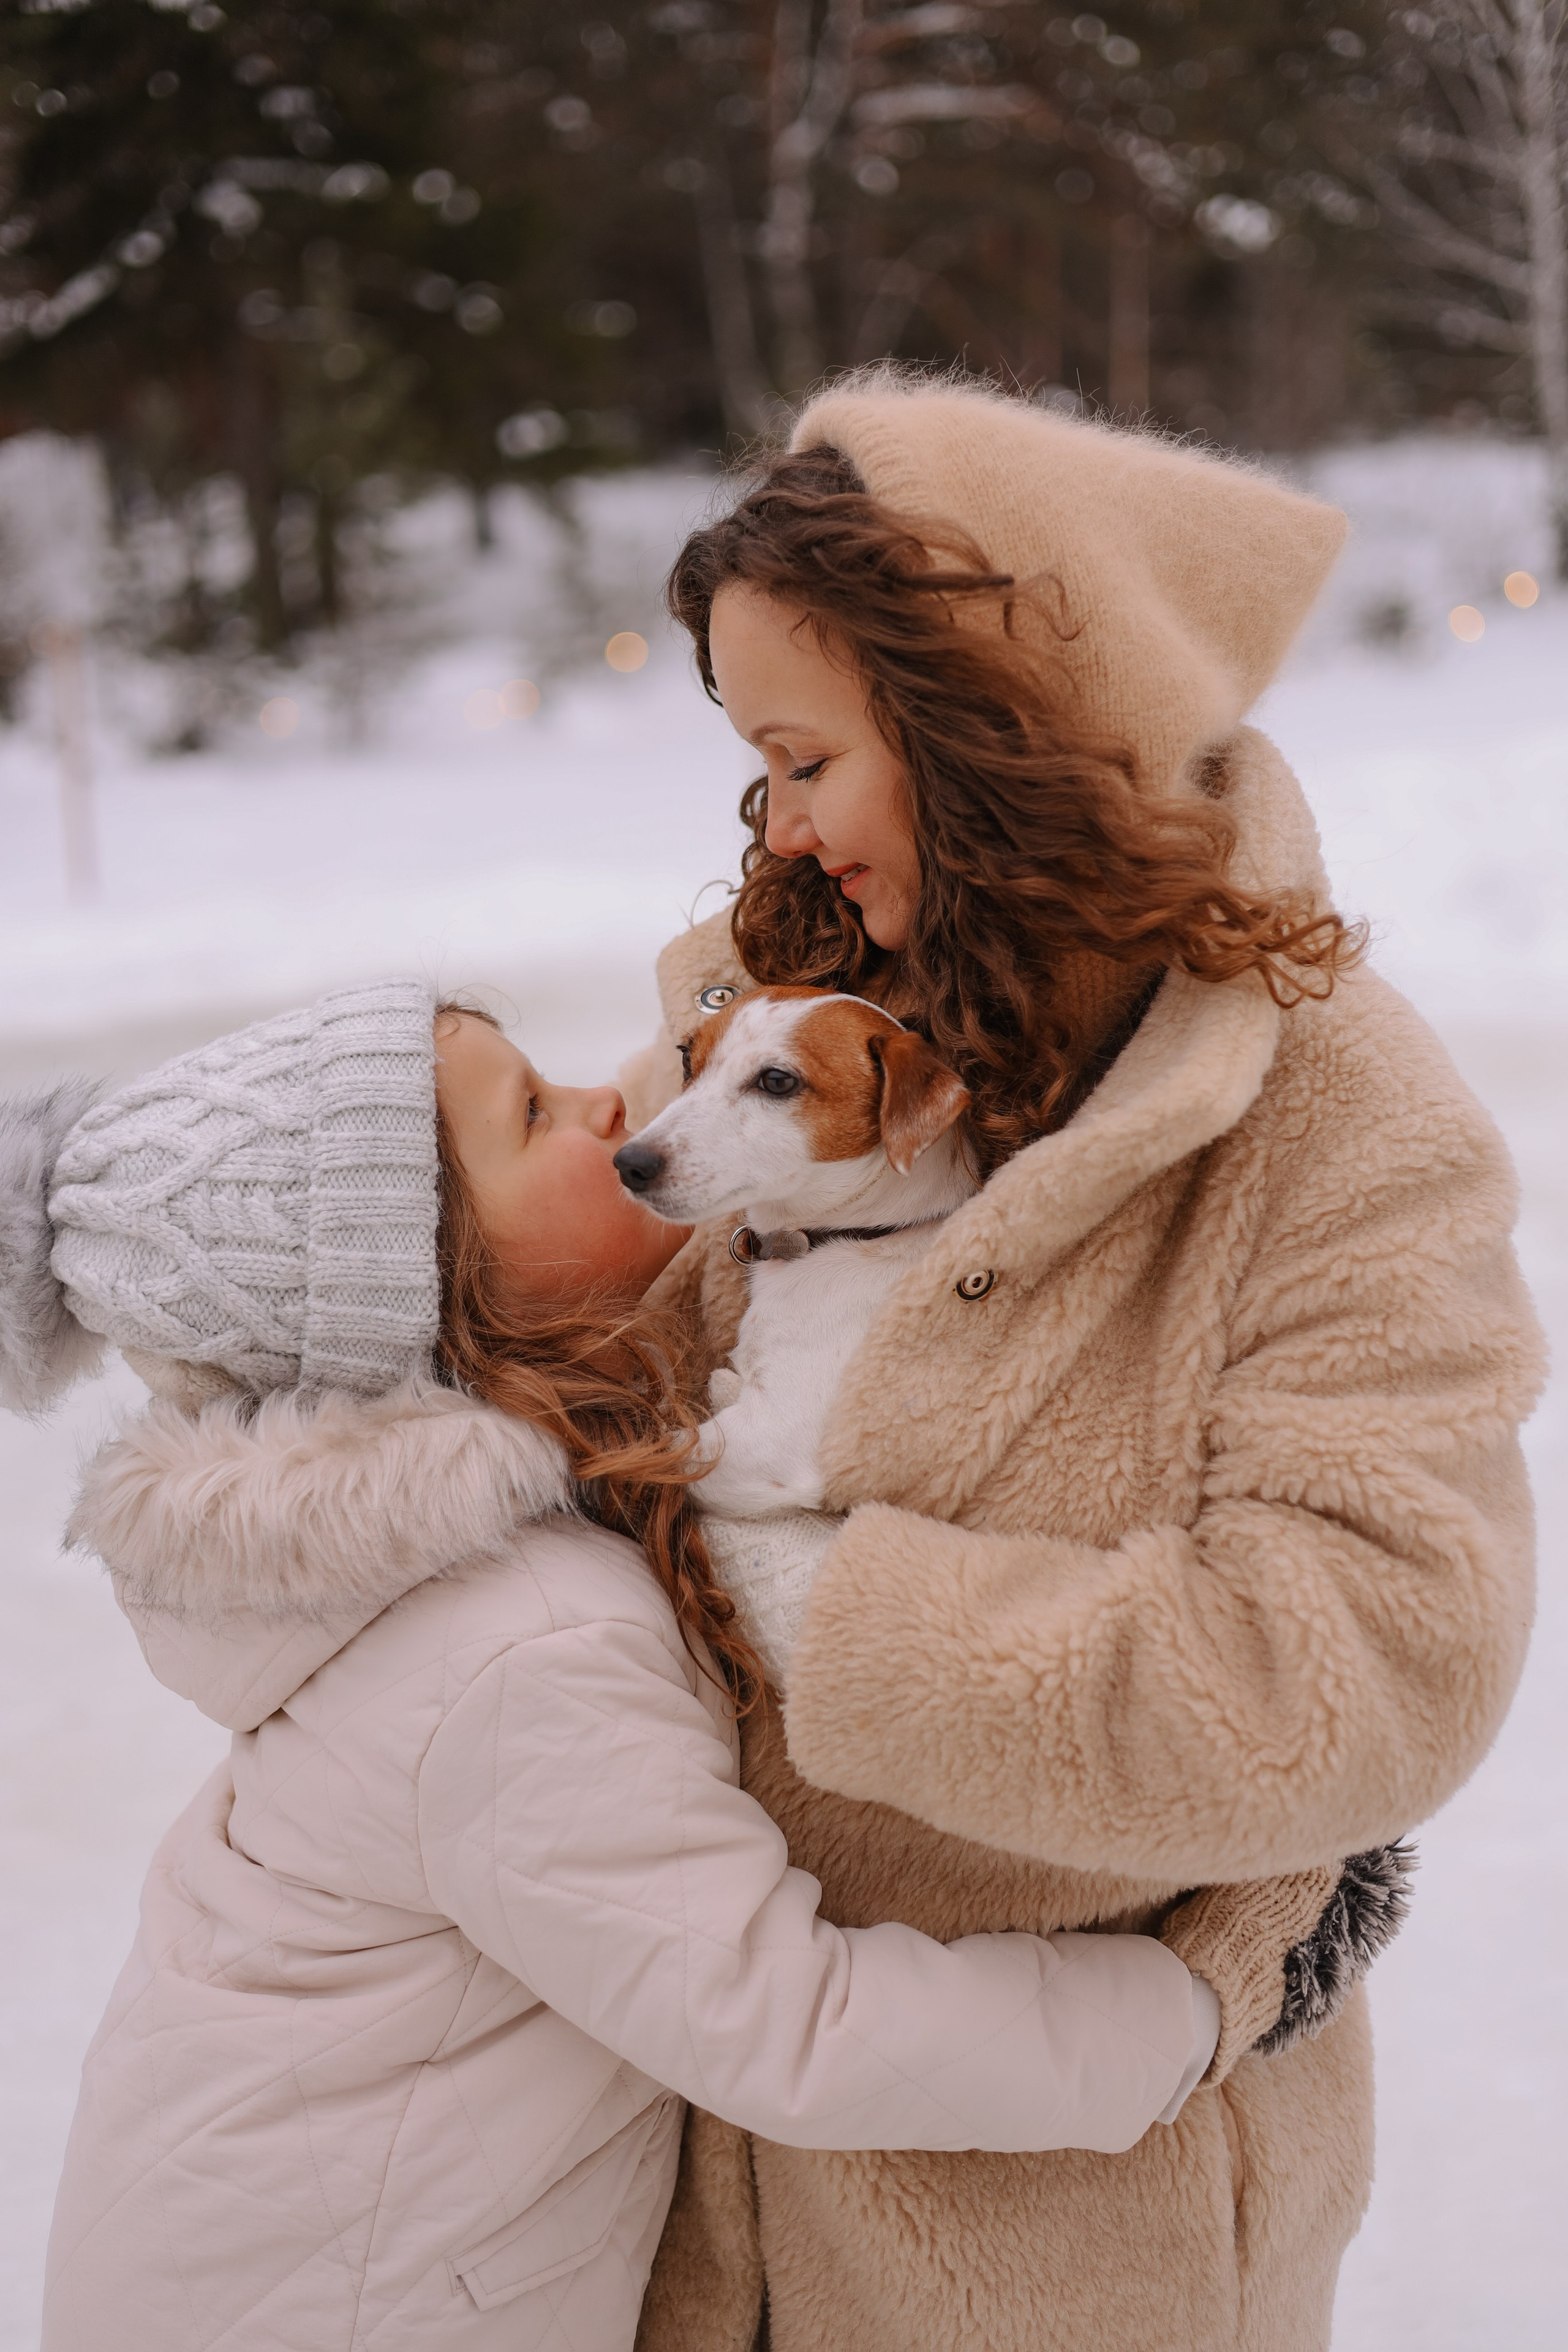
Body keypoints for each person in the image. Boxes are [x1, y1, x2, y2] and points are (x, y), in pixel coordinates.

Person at [619, 373, 1545, 2352]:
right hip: (670, 2220)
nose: (780, 825)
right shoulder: (787, 1018)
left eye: (807, 757)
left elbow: (1360, 1667)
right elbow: (524, 1322)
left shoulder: (1336, 1127)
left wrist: (820, 1606)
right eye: (759, 770)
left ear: (994, 733)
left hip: (1064, 2245)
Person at [1, 980, 1242, 2352]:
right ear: (435, 1281)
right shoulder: (521, 1646)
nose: (613, 1101)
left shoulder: (453, 1560)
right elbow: (781, 2023)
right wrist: (1190, 2009)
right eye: (535, 1116)